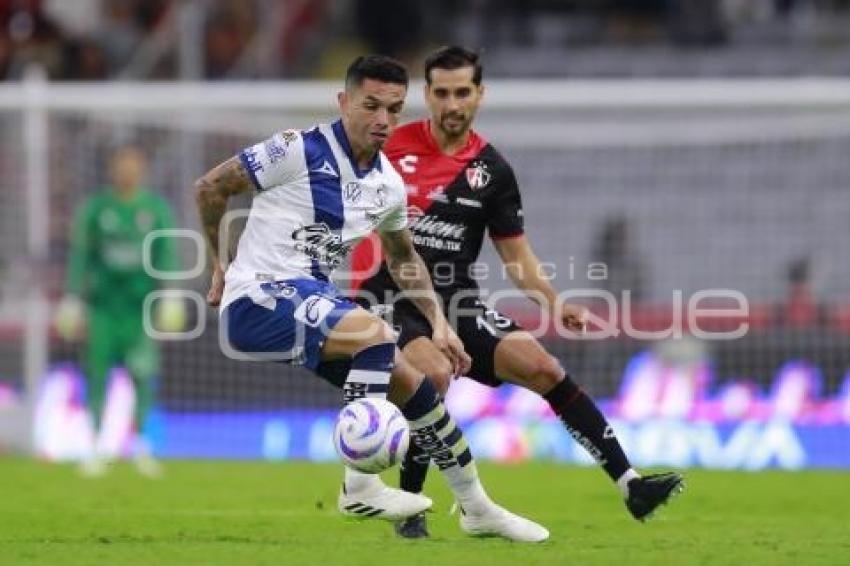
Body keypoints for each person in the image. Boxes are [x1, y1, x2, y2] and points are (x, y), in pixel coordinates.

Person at [195, 54, 549, 542]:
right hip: (258, 298)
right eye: (371, 106)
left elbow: (404, 258)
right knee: (377, 332)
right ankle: (359, 484)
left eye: (394, 109)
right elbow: (211, 186)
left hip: (312, 300)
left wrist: (439, 323)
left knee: (416, 383)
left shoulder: (387, 185)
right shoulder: (297, 149)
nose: (383, 120)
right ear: (344, 102)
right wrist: (218, 264)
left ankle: (477, 506)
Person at [349, 46, 684, 539]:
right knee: (433, 373)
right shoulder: (390, 148)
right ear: (427, 96)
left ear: (479, 96)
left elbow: (517, 258)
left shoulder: (493, 172)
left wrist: (554, 303)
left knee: (544, 368)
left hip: (459, 303)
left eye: (462, 92)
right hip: (388, 295)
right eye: (441, 93)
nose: (452, 104)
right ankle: (412, 510)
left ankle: (631, 484)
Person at [55, 145, 185, 477]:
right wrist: (72, 298)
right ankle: (95, 446)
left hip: (140, 310)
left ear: (141, 169)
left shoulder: (155, 209)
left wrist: (170, 295)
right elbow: (81, 256)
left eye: (132, 163)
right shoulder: (96, 209)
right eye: (121, 164)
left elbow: (166, 253)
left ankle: (142, 446)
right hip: (103, 310)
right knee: (96, 376)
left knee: (143, 376)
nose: (126, 170)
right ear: (112, 169)